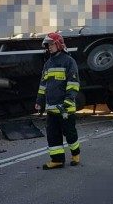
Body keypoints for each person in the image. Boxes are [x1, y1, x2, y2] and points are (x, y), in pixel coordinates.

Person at [35, 32, 81, 169]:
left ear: (58, 44)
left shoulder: (69, 61)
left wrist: (68, 100)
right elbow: (43, 84)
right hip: (51, 109)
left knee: (70, 133)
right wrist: (39, 101)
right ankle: (57, 160)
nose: (48, 47)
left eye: (51, 44)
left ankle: (75, 154)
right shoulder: (48, 63)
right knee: (53, 135)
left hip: (65, 107)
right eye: (47, 45)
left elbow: (73, 83)